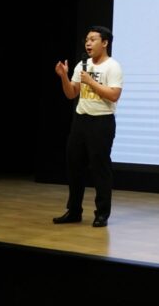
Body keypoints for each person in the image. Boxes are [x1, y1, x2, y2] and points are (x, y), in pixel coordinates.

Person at [53, 26, 123, 227]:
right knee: (74, 166)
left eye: (93, 39)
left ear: (105, 43)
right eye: (86, 40)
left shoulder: (113, 66)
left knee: (100, 169)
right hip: (81, 120)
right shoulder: (81, 65)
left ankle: (102, 213)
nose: (88, 43)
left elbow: (114, 95)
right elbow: (71, 93)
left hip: (101, 121)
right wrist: (64, 76)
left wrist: (90, 81)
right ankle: (74, 211)